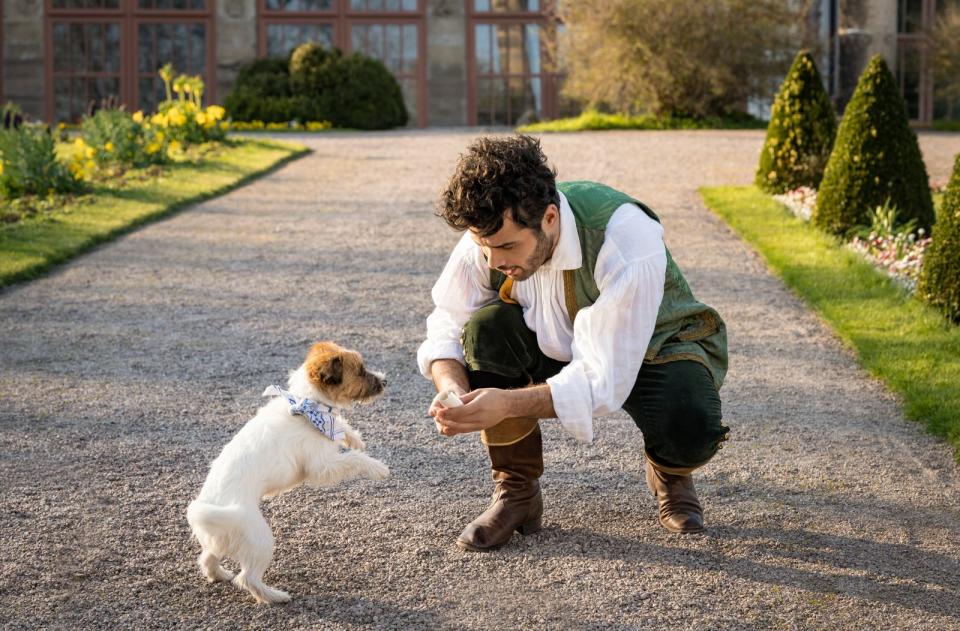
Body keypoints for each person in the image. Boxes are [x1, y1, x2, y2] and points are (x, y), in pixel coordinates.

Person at [417, 135, 729, 551]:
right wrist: (452, 387)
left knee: (690, 420)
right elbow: (446, 320)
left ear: (549, 218)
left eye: (508, 246)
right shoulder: (493, 229)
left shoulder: (625, 237)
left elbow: (605, 377)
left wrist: (506, 403)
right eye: (485, 248)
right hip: (551, 343)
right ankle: (517, 492)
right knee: (484, 332)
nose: (495, 262)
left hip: (653, 347)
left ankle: (671, 472)